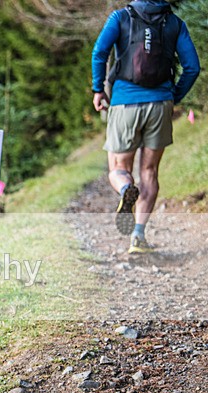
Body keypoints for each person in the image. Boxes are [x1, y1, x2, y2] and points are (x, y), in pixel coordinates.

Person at [91, 0, 200, 254]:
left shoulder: (119, 17)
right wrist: (173, 96)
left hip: (125, 104)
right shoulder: (175, 23)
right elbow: (192, 67)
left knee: (118, 168)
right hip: (160, 104)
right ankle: (138, 236)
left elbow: (99, 52)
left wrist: (98, 89)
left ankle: (126, 188)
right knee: (149, 171)